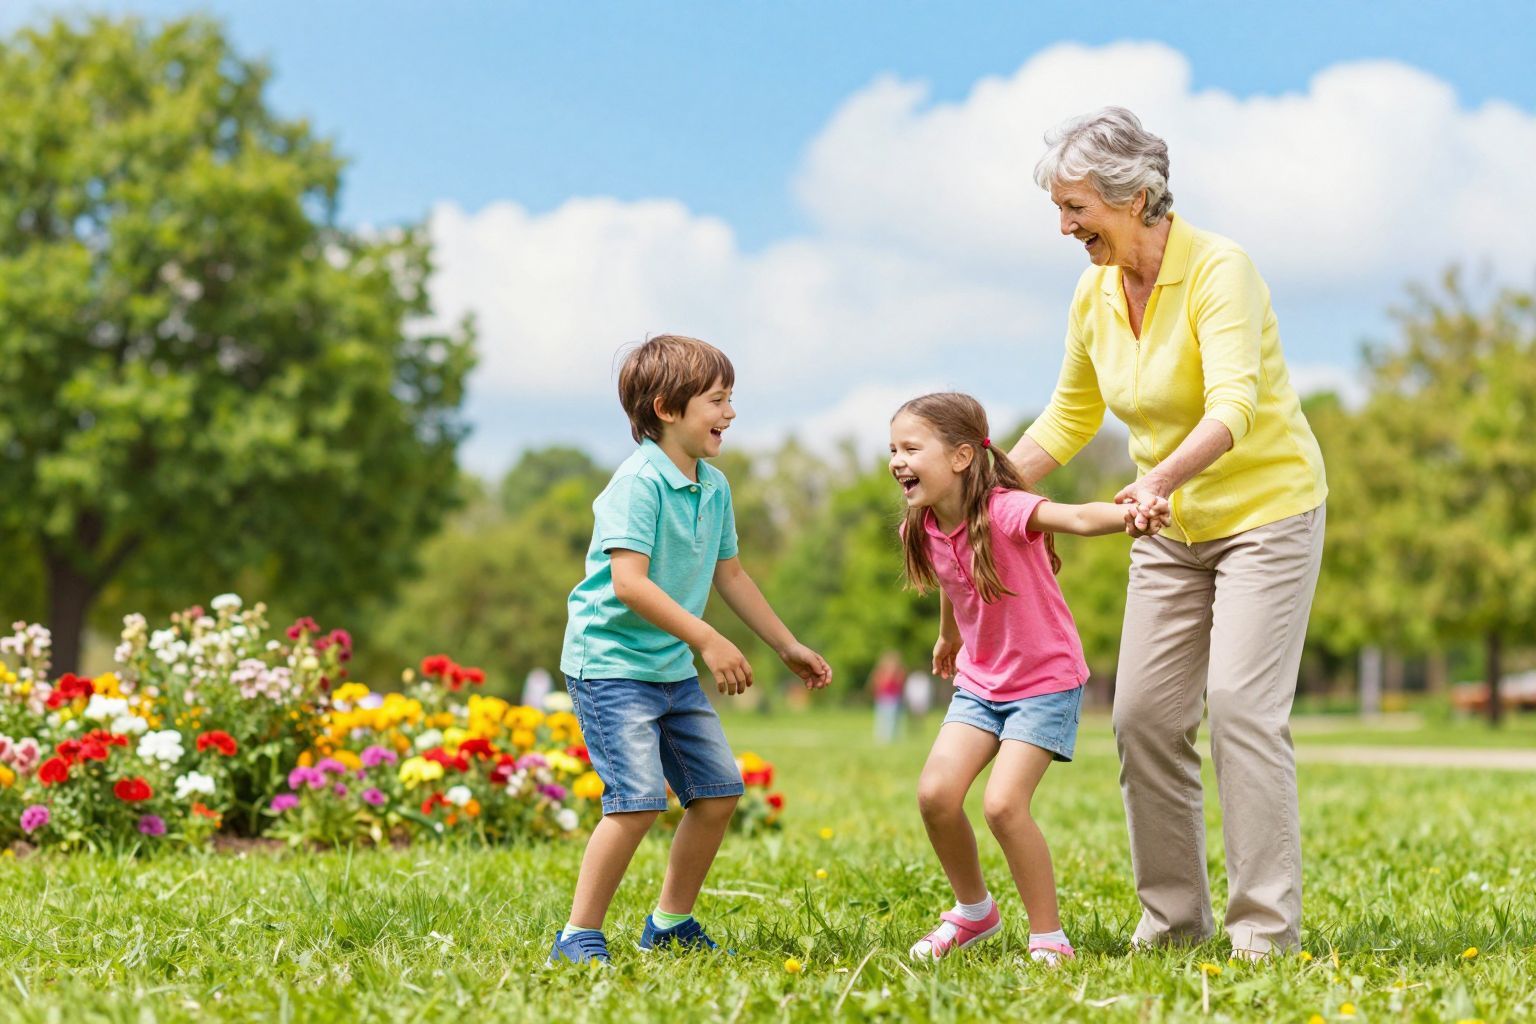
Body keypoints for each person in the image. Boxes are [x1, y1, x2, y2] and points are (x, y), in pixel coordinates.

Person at [1009, 107, 1328, 958]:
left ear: (1137, 196)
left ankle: (1263, 930)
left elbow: (1235, 406)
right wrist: (983, 488)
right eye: (1061, 209)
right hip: (1169, 528)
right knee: (1144, 715)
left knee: (1240, 709)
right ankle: (1176, 920)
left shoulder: (1222, 269)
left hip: (1266, 513)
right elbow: (1069, 417)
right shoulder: (1095, 292)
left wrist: (1154, 478)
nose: (1065, 226)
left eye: (1077, 208)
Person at [551, 334, 833, 966]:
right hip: (611, 666)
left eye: (730, 398)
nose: (730, 414)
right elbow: (629, 583)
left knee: (718, 792)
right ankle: (577, 935)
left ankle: (670, 923)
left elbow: (730, 574)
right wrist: (706, 637)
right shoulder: (637, 484)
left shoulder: (713, 485)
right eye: (717, 399)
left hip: (668, 667)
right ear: (667, 408)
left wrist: (785, 644)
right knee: (637, 801)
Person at [890, 391, 1168, 965]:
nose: (897, 460)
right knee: (936, 794)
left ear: (962, 457)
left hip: (1044, 682)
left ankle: (1049, 938)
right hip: (981, 683)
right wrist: (949, 637)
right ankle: (974, 913)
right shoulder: (921, 527)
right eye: (892, 448)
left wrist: (1131, 514)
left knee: (1003, 806)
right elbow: (952, 578)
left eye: (911, 448)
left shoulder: (1005, 509)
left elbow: (1079, 517)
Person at [867, 651, 905, 743]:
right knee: (883, 718)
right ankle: (882, 738)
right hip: (884, 697)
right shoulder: (881, 671)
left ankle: (892, 738)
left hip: (894, 697)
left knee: (894, 719)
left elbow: (901, 683)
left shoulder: (899, 671)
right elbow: (876, 683)